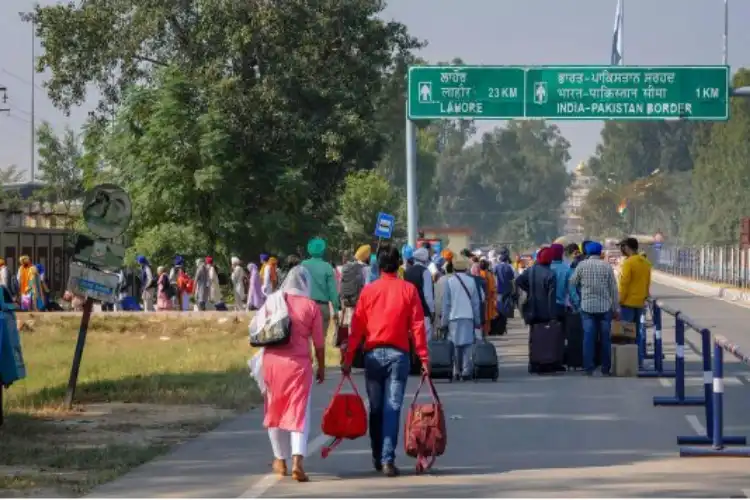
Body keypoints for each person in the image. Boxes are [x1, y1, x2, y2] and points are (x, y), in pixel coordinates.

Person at [343, 245, 429, 477]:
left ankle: (376, 454)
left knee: (377, 408)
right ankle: (388, 460)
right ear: (398, 265)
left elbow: (357, 327)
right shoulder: (408, 290)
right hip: (398, 355)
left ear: (379, 266)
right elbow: (418, 326)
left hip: (372, 355)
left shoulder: (369, 291)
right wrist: (423, 357)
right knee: (393, 408)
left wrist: (348, 357)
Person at [256, 266, 325, 482]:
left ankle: (280, 460)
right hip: (298, 366)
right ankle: (297, 461)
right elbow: (320, 344)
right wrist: (321, 366)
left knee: (275, 410)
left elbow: (259, 330)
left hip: (273, 364)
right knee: (299, 413)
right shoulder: (311, 306)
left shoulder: (274, 301)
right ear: (306, 284)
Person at [569, 241, 619, 376]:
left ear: (587, 252)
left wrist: (577, 302)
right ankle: (605, 368)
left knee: (588, 338)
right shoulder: (606, 267)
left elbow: (572, 283)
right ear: (600, 252)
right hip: (604, 309)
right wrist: (616, 309)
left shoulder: (581, 266)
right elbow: (613, 289)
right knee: (605, 339)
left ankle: (588, 367)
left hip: (587, 308)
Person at [441, 256, 481, 380]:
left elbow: (446, 303)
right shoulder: (471, 281)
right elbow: (476, 303)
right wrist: (478, 320)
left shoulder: (450, 281)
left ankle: (456, 370)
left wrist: (444, 321)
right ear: (465, 267)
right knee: (467, 345)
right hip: (468, 316)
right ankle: (466, 370)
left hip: (454, 317)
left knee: (455, 345)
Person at [301, 238, 340, 340]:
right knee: (320, 341)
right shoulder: (327, 267)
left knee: (305, 339)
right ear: (323, 250)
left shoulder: (303, 265)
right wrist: (336, 309)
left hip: (306, 307)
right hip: (322, 308)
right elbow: (333, 291)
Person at [618, 237, 652, 356]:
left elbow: (624, 283)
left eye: (622, 247)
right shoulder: (646, 263)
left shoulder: (628, 263)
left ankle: (627, 360)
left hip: (628, 303)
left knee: (627, 334)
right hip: (640, 302)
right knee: (639, 333)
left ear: (627, 247)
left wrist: (620, 300)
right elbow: (647, 282)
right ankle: (639, 360)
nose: (621, 249)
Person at [403, 247, 435, 341]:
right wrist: (432, 311)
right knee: (425, 342)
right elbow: (427, 295)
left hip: (410, 312)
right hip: (423, 312)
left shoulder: (407, 271)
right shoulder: (425, 272)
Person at [493, 248, 516, 336]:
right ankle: (503, 325)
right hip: (507, 290)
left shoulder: (496, 267)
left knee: (499, 308)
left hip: (498, 290)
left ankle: (499, 326)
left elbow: (494, 277)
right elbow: (512, 279)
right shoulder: (508, 267)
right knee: (506, 307)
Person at [549, 243, 570, 320]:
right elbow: (570, 288)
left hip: (546, 307)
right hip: (562, 305)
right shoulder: (567, 268)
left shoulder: (546, 267)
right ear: (562, 253)